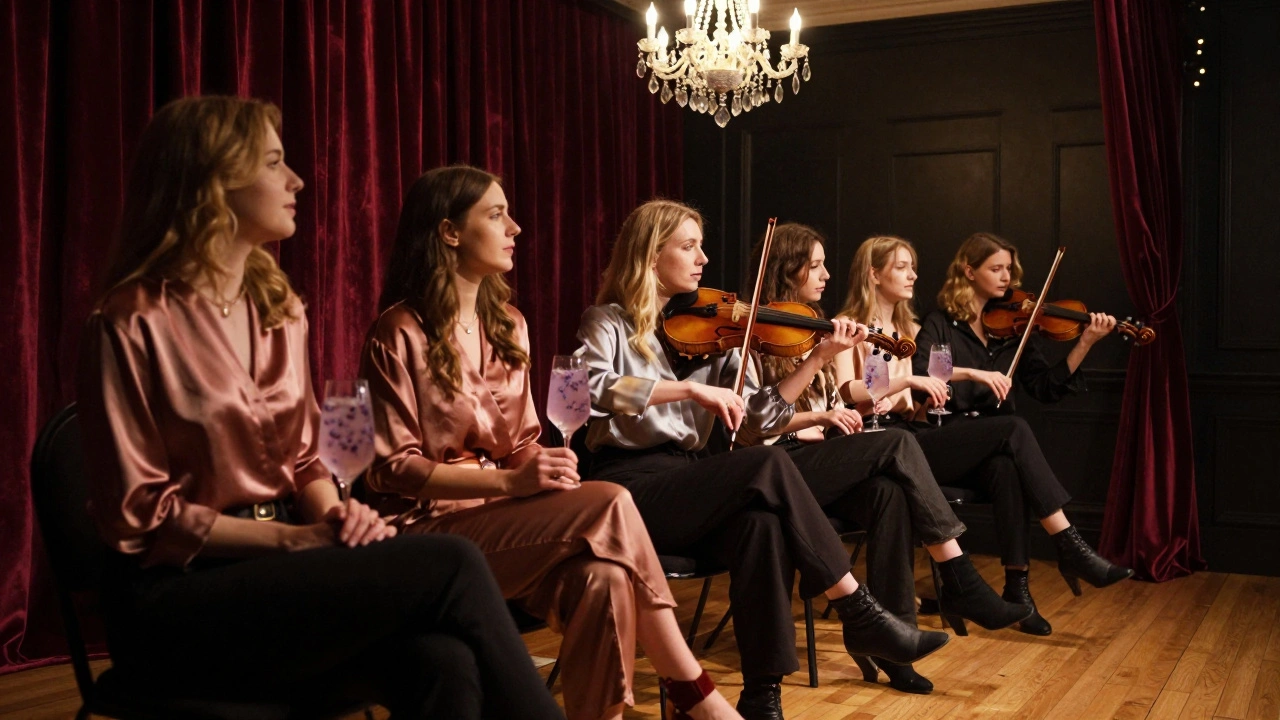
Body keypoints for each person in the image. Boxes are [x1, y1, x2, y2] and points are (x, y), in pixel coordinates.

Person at [77, 96, 566, 719]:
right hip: (175, 595)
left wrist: (336, 519)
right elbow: (139, 517)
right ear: (211, 183)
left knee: (443, 660)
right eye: (275, 163)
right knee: (454, 561)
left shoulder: (279, 309)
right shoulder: (128, 321)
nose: (297, 180)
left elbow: (305, 457)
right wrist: (294, 540)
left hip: (285, 561)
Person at [361, 165, 741, 720]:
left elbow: (520, 442)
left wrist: (540, 463)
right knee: (611, 498)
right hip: (426, 528)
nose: (515, 227)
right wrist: (512, 480)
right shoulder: (398, 331)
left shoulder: (510, 323)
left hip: (505, 518)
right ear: (449, 232)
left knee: (604, 577)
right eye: (496, 215)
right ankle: (692, 690)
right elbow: (392, 471)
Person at [575, 199, 951, 720]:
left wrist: (818, 357)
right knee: (769, 468)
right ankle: (858, 608)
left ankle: (762, 696)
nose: (703, 258)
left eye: (701, 246)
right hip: (629, 488)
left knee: (762, 526)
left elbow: (760, 421)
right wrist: (686, 389)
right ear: (648, 255)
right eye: (688, 247)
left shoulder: (717, 330)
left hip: (689, 478)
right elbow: (592, 389)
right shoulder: (607, 322)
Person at [737, 223, 1031, 693]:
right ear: (787, 269)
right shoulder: (750, 331)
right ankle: (958, 576)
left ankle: (893, 637)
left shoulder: (812, 325)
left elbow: (830, 401)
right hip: (772, 468)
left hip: (815, 459)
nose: (826, 274)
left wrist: (831, 407)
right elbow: (755, 425)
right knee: (897, 444)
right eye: (814, 265)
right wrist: (826, 411)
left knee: (889, 493)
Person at [833, 232, 1133, 636]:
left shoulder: (913, 326)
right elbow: (858, 391)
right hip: (898, 439)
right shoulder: (867, 327)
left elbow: (1035, 385)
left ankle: (1019, 589)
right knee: (1013, 429)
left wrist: (1086, 342)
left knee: (1006, 465)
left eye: (912, 266)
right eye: (902, 267)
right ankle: (1068, 545)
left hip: (920, 435)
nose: (912, 275)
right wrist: (924, 382)